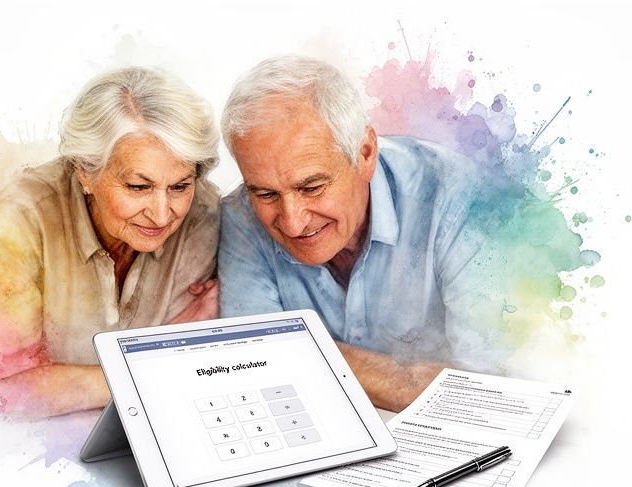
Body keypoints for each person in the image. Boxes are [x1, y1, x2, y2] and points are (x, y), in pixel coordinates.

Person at [219, 55, 515, 412]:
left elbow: (494, 391)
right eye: (265, 194)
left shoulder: (460, 198)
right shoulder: (240, 215)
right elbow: (253, 363)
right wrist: (405, 380)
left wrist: (295, 352)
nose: (293, 222)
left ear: (365, 153)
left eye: (312, 187)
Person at [0, 67, 221, 417]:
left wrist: (66, 384)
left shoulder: (204, 214)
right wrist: (140, 373)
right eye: (138, 187)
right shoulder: (19, 221)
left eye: (180, 186)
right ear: (84, 171)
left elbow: (195, 365)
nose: (162, 213)